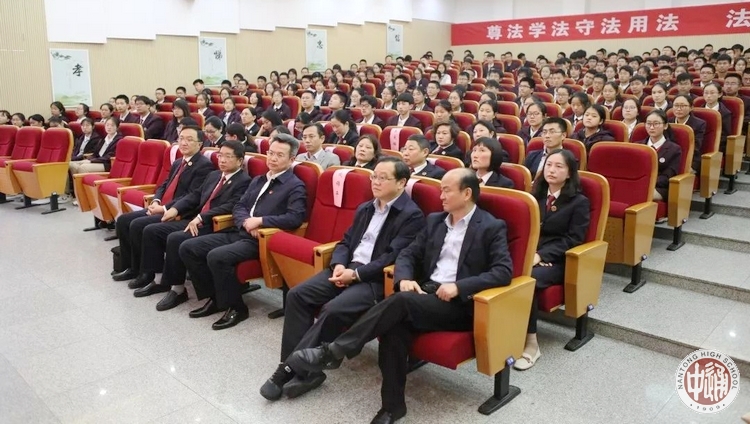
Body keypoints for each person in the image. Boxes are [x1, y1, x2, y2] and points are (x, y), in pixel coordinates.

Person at [285, 168, 513, 424]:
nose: (440, 196)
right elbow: (408, 254)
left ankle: (334, 350)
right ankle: (393, 408)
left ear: (467, 193)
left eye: (447, 191)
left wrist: (460, 286)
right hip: (425, 295)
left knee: (400, 302)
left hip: (459, 304)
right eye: (441, 190)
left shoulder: (491, 226)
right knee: (394, 328)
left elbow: (503, 272)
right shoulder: (436, 221)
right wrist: (404, 278)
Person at [260, 157, 425, 401]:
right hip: (345, 268)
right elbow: (346, 241)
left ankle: (288, 370)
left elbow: (393, 257)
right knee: (297, 295)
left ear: (401, 183)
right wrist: (338, 264)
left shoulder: (411, 216)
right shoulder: (366, 207)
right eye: (374, 176)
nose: (375, 182)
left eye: (383, 178)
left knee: (333, 309)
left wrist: (355, 275)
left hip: (374, 279)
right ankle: (301, 368)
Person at [179, 134, 308, 330]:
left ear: (291, 160)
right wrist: (246, 223)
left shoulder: (295, 186)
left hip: (261, 240)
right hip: (240, 230)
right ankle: (215, 298)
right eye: (271, 153)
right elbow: (240, 206)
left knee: (217, 256)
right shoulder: (259, 179)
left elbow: (295, 218)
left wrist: (261, 222)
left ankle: (237, 308)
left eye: (279, 155)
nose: (273, 158)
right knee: (188, 247)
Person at [132, 141, 252, 310]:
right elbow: (195, 195)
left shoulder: (244, 181)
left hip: (215, 224)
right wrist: (174, 209)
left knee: (176, 239)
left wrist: (201, 217)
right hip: (195, 219)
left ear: (240, 161)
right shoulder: (214, 175)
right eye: (220, 155)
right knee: (153, 231)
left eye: (228, 156)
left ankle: (178, 290)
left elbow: (231, 206)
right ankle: (158, 279)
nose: (222, 160)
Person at [514, 149, 590, 371]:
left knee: (527, 280)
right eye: (548, 165)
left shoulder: (579, 202)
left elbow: (573, 239)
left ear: (569, 173)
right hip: (532, 255)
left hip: (560, 261)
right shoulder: (534, 196)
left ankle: (531, 344)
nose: (552, 170)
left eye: (559, 166)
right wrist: (531, 255)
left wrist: (542, 256)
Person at [112, 126, 213, 286]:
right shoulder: (178, 162)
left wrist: (165, 208)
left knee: (138, 225)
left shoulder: (204, 165)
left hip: (180, 212)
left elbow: (193, 196)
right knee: (123, 220)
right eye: (181, 138)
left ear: (200, 144)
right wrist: (156, 201)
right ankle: (131, 267)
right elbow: (164, 184)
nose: (184, 143)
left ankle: (147, 273)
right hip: (162, 206)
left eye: (189, 140)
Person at [635, 109, 682, 202]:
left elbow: (668, 176)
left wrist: (647, 183)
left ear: (665, 126)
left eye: (656, 124)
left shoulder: (674, 149)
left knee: (640, 193)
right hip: (637, 184)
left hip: (659, 187)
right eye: (648, 124)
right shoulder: (637, 146)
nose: (651, 127)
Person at [671, 95, 706, 173]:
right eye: (676, 105)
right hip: (669, 158)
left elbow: (696, 147)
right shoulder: (667, 123)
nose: (679, 109)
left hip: (690, 159)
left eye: (683, 106)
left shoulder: (699, 124)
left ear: (691, 107)